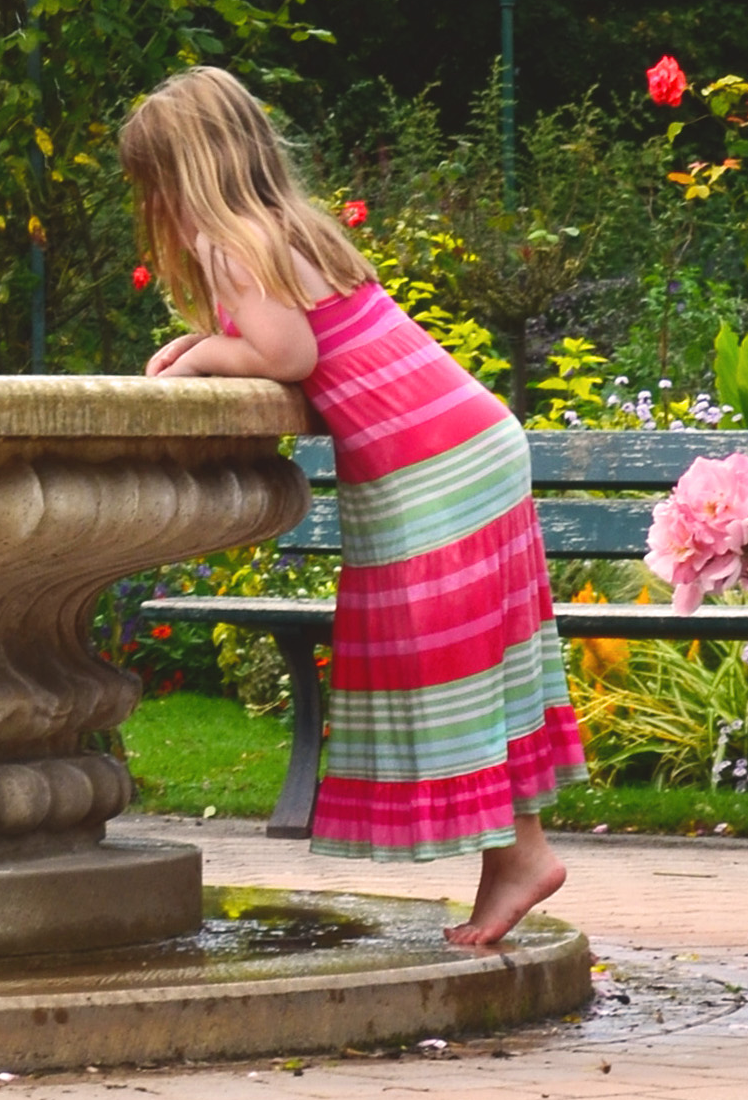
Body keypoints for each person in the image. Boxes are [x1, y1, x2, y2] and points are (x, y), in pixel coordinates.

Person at [122, 61, 582, 951]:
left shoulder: (232, 241)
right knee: (474, 665)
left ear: (189, 174)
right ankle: (516, 857)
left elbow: (288, 354)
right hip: (467, 446)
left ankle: (522, 856)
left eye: (158, 186)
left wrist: (202, 359)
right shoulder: (287, 228)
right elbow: (292, 336)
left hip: (432, 465)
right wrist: (211, 339)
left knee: (438, 666)